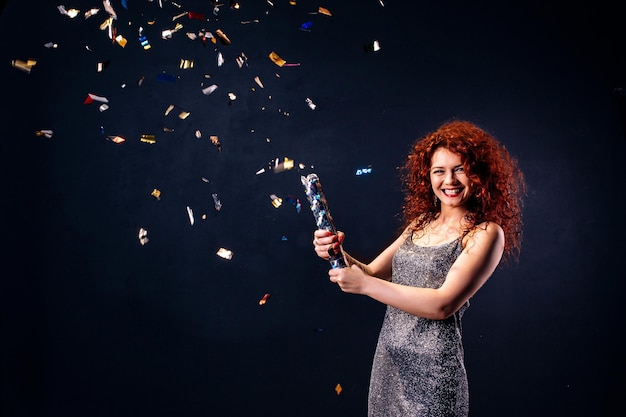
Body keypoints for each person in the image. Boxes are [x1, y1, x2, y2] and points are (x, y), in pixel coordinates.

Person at [312, 119, 526, 416]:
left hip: (434, 373)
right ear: (428, 176)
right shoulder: (420, 224)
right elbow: (371, 272)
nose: (449, 180)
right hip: (388, 365)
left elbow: (443, 304)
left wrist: (363, 286)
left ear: (478, 174)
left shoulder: (485, 233)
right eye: (440, 171)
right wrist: (335, 252)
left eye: (460, 169)